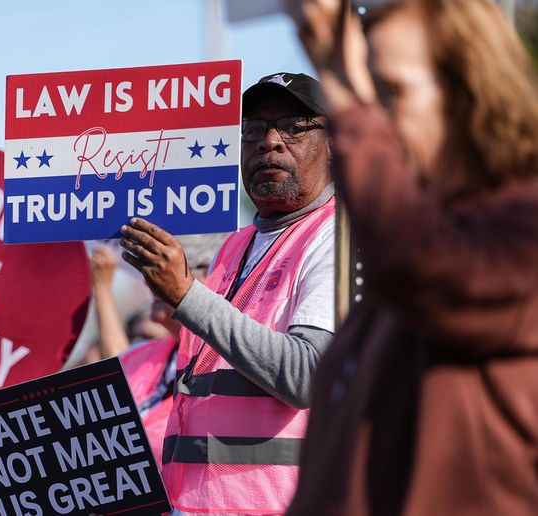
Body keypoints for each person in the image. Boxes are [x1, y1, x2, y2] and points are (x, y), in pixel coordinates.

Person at [282, 0, 538, 514]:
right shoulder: (397, 278)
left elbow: (422, 267)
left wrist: (343, 91)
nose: (370, 118)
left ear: (471, 94)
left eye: (390, 92)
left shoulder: (520, 231)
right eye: (367, 94)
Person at [119, 72, 336, 515]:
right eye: (253, 130)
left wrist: (186, 296)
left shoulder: (340, 236)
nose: (269, 141)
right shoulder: (234, 246)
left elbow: (308, 377)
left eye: (294, 126)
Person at [90, 235, 226, 467]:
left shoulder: (228, 364)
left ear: (210, 279)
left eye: (169, 269)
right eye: (151, 271)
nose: (152, 281)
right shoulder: (145, 355)